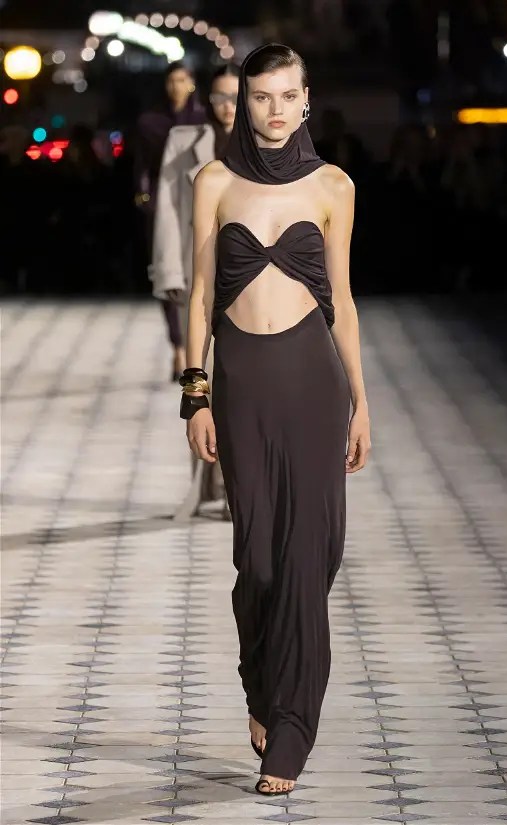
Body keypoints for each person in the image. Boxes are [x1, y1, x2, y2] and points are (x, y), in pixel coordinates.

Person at [181, 43, 371, 795]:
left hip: (315, 384)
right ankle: (261, 685)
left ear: (306, 99)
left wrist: (362, 402)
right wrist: (195, 393)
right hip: (243, 386)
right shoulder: (214, 181)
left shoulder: (333, 186)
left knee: (306, 559)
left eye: (288, 95)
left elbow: (342, 302)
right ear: (243, 102)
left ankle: (289, 733)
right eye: (262, 96)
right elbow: (201, 294)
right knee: (257, 560)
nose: (276, 109)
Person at [150, 63, 240, 520]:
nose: (228, 107)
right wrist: (168, 271)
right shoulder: (184, 142)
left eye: (236, 97)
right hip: (197, 271)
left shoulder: (266, 145)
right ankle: (205, 483)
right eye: (220, 97)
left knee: (238, 384)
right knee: (198, 379)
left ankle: (232, 486)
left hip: (249, 277)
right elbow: (168, 208)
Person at [135, 60, 206, 380]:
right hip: (163, 205)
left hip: (197, 203)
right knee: (167, 274)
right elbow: (140, 165)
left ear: (191, 83)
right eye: (171, 80)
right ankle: (177, 347)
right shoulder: (150, 122)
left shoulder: (204, 119)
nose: (176, 86)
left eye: (182, 79)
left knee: (197, 274)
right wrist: (144, 198)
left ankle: (195, 347)